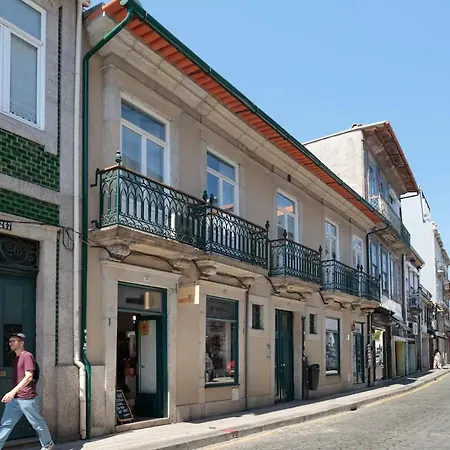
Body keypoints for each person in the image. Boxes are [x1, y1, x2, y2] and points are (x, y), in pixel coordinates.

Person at [0, 333, 54, 450]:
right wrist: (14, 394)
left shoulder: (27, 356)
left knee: (37, 424)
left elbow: (29, 376)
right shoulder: (16, 358)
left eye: (14, 341)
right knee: (5, 425)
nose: (11, 343)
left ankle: (48, 445)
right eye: (10, 341)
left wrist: (12, 392)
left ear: (21, 343)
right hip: (15, 400)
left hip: (27, 399)